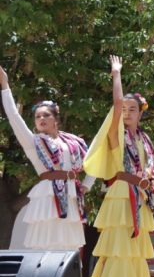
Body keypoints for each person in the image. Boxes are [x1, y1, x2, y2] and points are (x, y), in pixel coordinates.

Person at [85, 56, 154, 277]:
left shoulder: (144, 139)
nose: (126, 112)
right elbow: (115, 107)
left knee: (131, 259)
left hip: (139, 199)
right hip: (120, 197)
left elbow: (150, 167)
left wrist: (148, 181)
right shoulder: (117, 134)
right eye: (124, 109)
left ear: (141, 112)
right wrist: (116, 74)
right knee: (118, 256)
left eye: (132, 109)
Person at [0, 65, 94, 250]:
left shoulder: (73, 142)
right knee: (45, 244)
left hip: (72, 194)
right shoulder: (33, 142)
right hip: (47, 195)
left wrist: (87, 185)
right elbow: (13, 116)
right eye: (37, 116)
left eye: (46, 115)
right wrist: (5, 86)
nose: (41, 119)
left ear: (56, 119)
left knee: (69, 246)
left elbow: (94, 162)